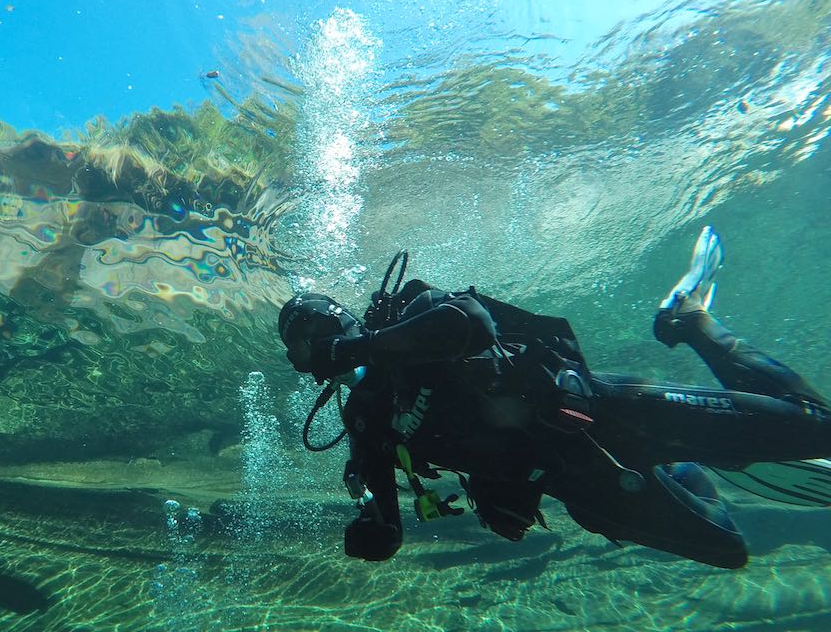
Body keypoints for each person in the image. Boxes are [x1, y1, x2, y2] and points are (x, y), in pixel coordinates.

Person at [277, 227, 831, 569]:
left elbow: (470, 324)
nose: (309, 362)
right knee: (727, 548)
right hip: (583, 485)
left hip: (608, 414)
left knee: (820, 426)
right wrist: (375, 534)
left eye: (309, 344)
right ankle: (693, 462)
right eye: (298, 356)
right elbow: (390, 524)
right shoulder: (365, 416)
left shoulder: (410, 312)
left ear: (336, 326)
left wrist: (368, 345)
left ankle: (692, 323)